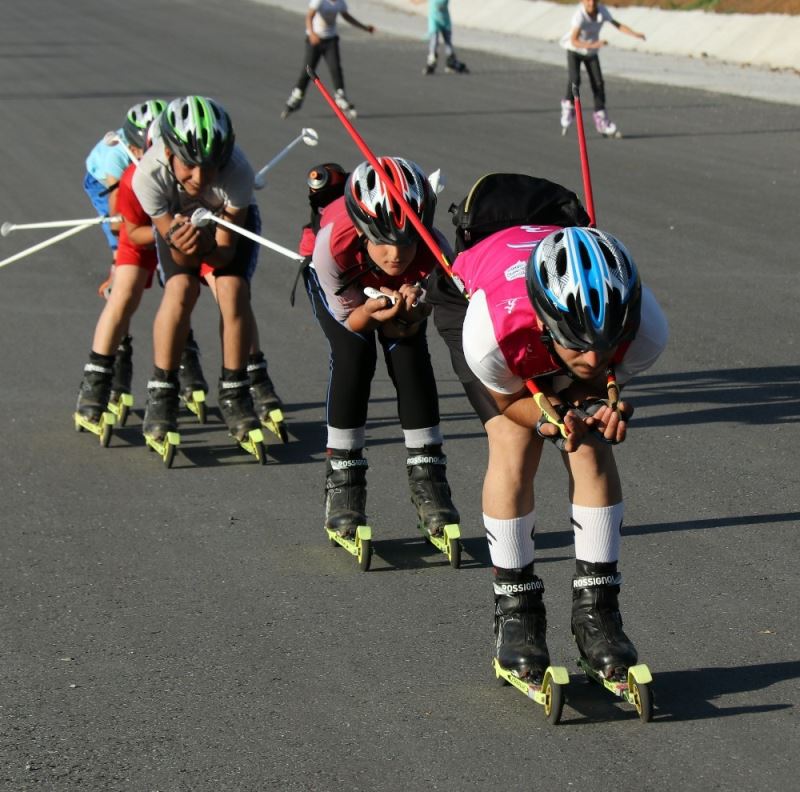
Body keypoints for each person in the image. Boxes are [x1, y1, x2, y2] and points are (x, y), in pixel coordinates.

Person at [433, 213, 667, 683]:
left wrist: (595, 407)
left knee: (591, 444)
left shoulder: (646, 329)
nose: (595, 358)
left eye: (607, 345)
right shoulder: (490, 336)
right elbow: (509, 401)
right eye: (579, 346)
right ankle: (517, 613)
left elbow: (596, 378)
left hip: (549, 319)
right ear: (545, 323)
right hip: (476, 298)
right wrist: (549, 420)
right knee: (514, 441)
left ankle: (597, 613)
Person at [301, 156, 460, 540]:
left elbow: (412, 323)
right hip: (343, 283)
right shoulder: (332, 245)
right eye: (383, 242)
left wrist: (411, 314)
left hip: (397, 293)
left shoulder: (436, 250)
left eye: (407, 242)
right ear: (362, 230)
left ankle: (429, 478)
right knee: (355, 354)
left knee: (409, 351)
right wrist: (372, 312)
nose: (396, 255)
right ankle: (344, 482)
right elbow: (352, 321)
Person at [132, 95, 281, 446]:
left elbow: (224, 256)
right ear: (168, 152)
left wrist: (207, 246)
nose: (200, 177)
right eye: (189, 165)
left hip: (223, 226)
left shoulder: (238, 170)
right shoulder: (147, 177)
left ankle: (235, 391)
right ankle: (162, 391)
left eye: (212, 166)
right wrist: (185, 243)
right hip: (178, 223)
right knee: (180, 289)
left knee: (233, 289)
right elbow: (183, 263)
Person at [75, 100, 169, 426]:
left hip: (154, 188)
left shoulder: (167, 158)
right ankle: (111, 364)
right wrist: (119, 263)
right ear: (133, 147)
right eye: (142, 150)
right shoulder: (117, 159)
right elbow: (120, 223)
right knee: (124, 276)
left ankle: (184, 355)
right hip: (106, 183)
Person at [559, 0, 645, 137]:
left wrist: (634, 34)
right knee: (575, 80)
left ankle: (601, 118)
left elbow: (617, 25)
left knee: (598, 84)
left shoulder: (602, 11)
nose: (591, 3)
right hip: (575, 50)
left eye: (594, 0)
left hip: (591, 53)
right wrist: (593, 44)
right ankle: (568, 106)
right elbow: (574, 40)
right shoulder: (579, 16)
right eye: (588, 0)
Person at [281, 0, 375, 120]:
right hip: (315, 41)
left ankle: (340, 96)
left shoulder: (340, 2)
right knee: (307, 71)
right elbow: (309, 16)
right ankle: (297, 95)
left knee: (335, 68)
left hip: (330, 40)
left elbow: (346, 16)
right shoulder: (319, 1)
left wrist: (364, 28)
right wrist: (312, 33)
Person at [411, 0, 468, 75]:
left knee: (448, 40)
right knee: (434, 39)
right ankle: (432, 60)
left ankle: (451, 61)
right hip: (434, 19)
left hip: (445, 18)